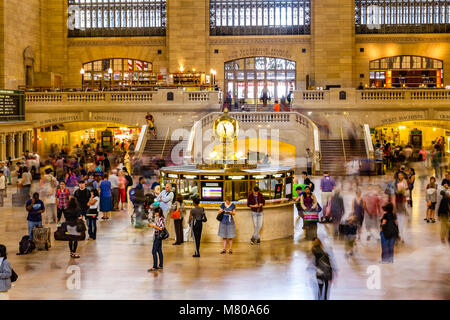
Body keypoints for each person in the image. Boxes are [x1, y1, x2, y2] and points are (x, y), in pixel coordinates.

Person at [148, 207, 165, 271]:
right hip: (158, 236)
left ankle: (154, 266)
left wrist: (153, 226)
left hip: (158, 236)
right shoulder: (160, 218)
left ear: (158, 212)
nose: (155, 213)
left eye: (156, 212)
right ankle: (160, 265)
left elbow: (161, 228)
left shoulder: (161, 219)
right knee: (159, 250)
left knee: (154, 251)